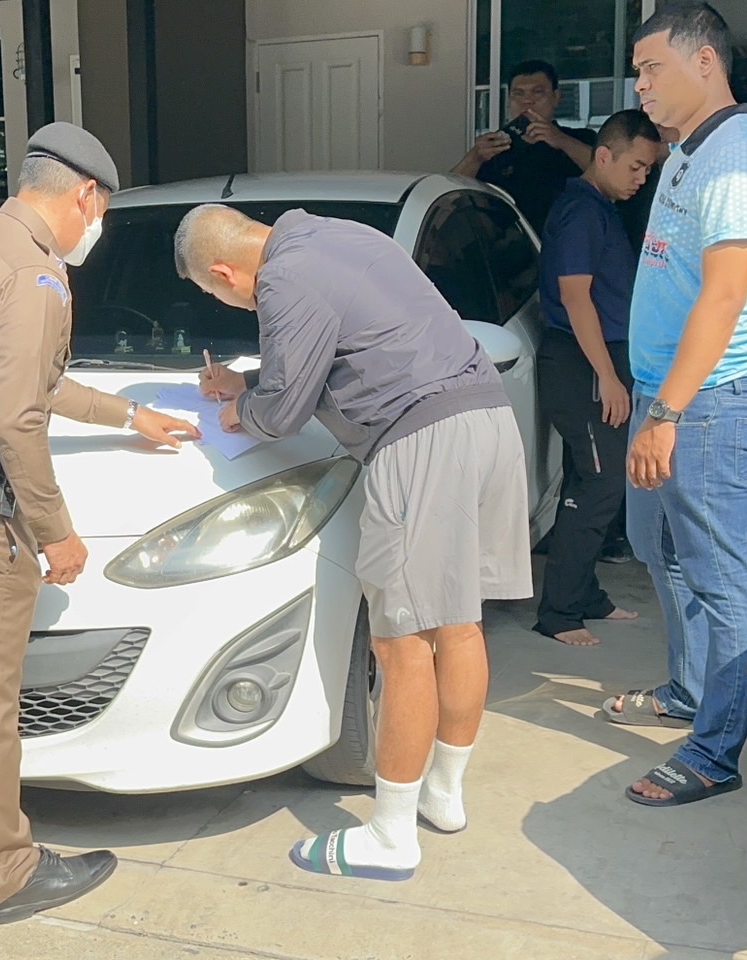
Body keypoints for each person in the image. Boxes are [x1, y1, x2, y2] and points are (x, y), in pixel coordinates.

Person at [0, 122, 199, 927]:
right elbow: (17, 414)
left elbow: (15, 381)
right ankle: (4, 873)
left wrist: (127, 413)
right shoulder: (37, 274)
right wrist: (55, 530)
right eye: (101, 210)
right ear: (85, 195)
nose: (96, 226)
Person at [176, 203, 531, 881]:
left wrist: (240, 407)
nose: (227, 303)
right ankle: (443, 794)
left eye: (213, 294)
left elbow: (282, 413)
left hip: (419, 438)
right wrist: (250, 380)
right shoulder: (336, 235)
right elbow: (348, 343)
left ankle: (391, 836)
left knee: (401, 643)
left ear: (223, 272)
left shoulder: (283, 278)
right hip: (484, 420)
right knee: (459, 625)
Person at [603, 2, 747, 808]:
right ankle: (689, 689)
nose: (639, 86)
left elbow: (723, 296)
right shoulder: (687, 149)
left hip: (707, 399)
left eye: (652, 68)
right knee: (657, 546)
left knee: (718, 576)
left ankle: (715, 751)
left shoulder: (737, 157)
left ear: (704, 61)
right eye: (637, 72)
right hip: (665, 390)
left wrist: (668, 413)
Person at [532, 109, 664, 647]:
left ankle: (585, 595)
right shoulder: (581, 212)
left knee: (587, 479)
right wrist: (607, 376)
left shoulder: (601, 208)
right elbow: (575, 297)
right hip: (582, 364)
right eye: (635, 167)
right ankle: (559, 612)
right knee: (601, 483)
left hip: (600, 359)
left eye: (648, 171)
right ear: (603, 156)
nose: (642, 179)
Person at [454, 60, 598, 232]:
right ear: (509, 100)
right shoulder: (495, 147)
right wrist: (474, 157)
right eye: (518, 94)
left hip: (571, 236)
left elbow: (607, 176)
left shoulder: (580, 138)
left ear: (556, 97)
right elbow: (450, 195)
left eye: (538, 92)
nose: (527, 101)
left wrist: (560, 140)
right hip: (509, 241)